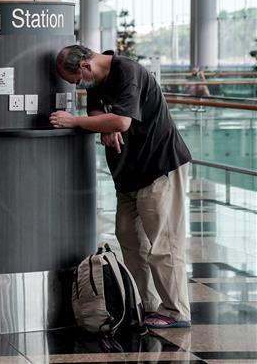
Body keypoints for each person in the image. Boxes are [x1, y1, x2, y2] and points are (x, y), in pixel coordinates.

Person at [49, 45, 192, 329]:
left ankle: (177, 311)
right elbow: (97, 109)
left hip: (158, 167)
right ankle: (147, 305)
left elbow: (123, 120)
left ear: (86, 67)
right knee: (129, 237)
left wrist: (77, 121)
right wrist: (104, 125)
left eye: (76, 81)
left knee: (163, 242)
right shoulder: (97, 80)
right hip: (128, 174)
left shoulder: (128, 71)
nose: (78, 87)